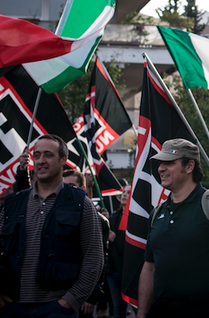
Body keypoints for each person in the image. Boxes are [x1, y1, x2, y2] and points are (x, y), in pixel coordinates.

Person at [137, 139, 209, 318]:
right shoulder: (157, 213)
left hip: (205, 310)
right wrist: (141, 314)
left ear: (189, 166)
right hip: (162, 311)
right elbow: (149, 268)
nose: (161, 168)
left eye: (169, 163)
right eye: (161, 163)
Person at [0, 134, 104, 318]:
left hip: (58, 308)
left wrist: (70, 301)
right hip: (11, 307)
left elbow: (94, 258)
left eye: (48, 154)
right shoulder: (12, 204)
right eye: (37, 155)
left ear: (64, 159)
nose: (41, 161)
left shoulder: (81, 203)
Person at [62, 169, 111, 318]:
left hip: (82, 298)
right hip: (57, 296)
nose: (66, 191)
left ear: (82, 188)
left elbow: (100, 261)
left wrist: (91, 296)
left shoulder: (98, 220)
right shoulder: (53, 217)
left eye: (71, 185)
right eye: (63, 186)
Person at [108, 184, 131, 318]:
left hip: (132, 270)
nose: (124, 194)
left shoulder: (137, 219)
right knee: (118, 309)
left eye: (128, 192)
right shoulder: (113, 217)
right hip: (115, 270)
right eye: (123, 192)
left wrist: (115, 238)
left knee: (138, 307)